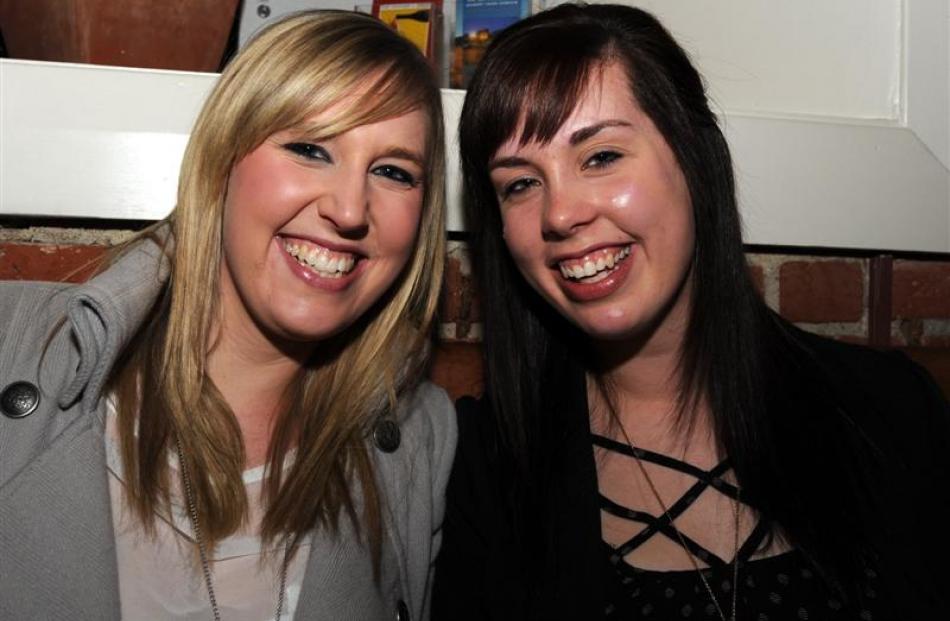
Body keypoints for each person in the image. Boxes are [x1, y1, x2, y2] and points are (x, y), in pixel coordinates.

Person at [432, 4, 950, 620]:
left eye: (600, 157)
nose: (560, 214)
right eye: (520, 183)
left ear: (694, 160)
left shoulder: (890, 410)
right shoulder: (487, 473)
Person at [0, 10, 455, 621]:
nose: (350, 209)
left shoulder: (424, 437)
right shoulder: (16, 345)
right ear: (222, 162)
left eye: (394, 171)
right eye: (310, 148)